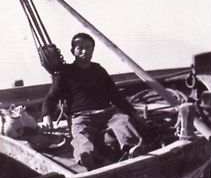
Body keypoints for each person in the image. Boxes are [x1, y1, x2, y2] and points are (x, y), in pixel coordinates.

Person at [40, 33, 146, 170]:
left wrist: (133, 113)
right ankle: (87, 157)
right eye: (80, 48)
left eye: (88, 47)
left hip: (108, 113)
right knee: (81, 135)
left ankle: (133, 148)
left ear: (93, 49)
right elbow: (51, 97)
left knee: (123, 121)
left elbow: (115, 95)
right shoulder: (64, 73)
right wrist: (47, 117)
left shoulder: (99, 70)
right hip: (82, 116)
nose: (84, 51)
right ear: (73, 51)